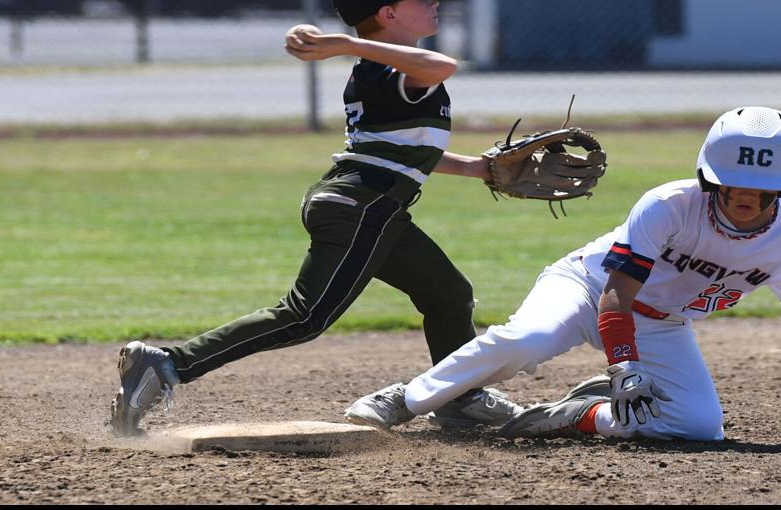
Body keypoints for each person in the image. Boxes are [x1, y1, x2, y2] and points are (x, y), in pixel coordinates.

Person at [344, 106, 781, 442]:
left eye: (763, 189)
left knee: (698, 428)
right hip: (588, 289)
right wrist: (623, 366)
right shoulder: (670, 204)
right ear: (709, 176)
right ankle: (407, 398)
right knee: (528, 340)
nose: (745, 197)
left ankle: (576, 413)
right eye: (732, 184)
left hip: (660, 323)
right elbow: (617, 293)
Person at [108, 0, 518, 437]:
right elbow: (443, 66)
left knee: (449, 294)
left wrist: (476, 168)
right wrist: (346, 43)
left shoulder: (381, 69)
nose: (434, 2)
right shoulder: (391, 68)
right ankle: (167, 364)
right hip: (362, 206)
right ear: (388, 14)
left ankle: (458, 396)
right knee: (304, 317)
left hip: (370, 206)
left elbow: (396, 148)